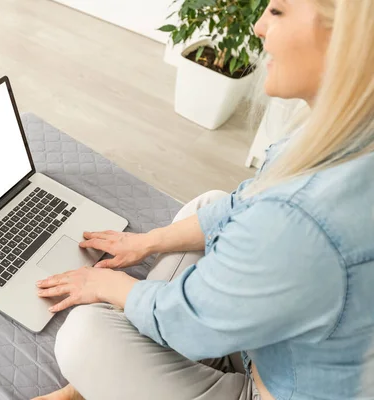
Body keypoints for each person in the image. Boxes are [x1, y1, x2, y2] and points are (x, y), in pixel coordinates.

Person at [33, 0, 374, 399]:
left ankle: (93, 382)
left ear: (347, 37)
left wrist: (107, 284)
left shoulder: (301, 215)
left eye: (278, 11)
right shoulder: (338, 139)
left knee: (83, 335)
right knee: (209, 203)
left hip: (275, 386)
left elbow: (191, 325)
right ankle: (97, 381)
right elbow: (239, 204)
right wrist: (147, 242)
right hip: (283, 343)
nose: (260, 27)